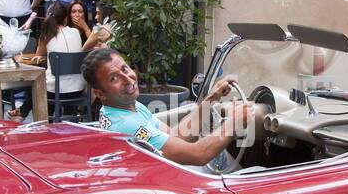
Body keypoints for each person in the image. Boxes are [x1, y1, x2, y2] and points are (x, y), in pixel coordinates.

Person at [83, 47, 252, 168]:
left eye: (125, 68)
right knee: (239, 168)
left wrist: (210, 99)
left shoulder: (127, 107)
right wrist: (233, 124)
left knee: (220, 156)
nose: (127, 79)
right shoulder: (127, 125)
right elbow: (198, 155)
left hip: (160, 177)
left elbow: (176, 135)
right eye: (114, 78)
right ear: (100, 93)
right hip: (164, 187)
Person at [8, 1, 98, 122]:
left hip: (57, 90)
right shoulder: (75, 32)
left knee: (39, 83)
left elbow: (39, 53)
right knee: (48, 83)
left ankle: (30, 115)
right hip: (78, 89)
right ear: (66, 18)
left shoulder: (47, 35)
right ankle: (25, 113)